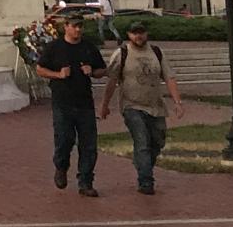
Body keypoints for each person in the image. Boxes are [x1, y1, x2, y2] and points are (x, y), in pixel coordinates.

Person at [99, 20, 185, 195]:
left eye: (141, 32)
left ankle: (142, 163)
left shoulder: (156, 52)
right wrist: (105, 105)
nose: (138, 36)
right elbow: (112, 80)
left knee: (157, 142)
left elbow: (169, 77)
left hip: (156, 106)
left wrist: (177, 102)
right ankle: (146, 181)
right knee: (142, 141)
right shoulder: (122, 53)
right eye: (134, 33)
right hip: (132, 106)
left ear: (146, 33)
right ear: (129, 35)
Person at [36, 13, 106, 196]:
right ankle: (61, 166)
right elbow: (40, 69)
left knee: (89, 144)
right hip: (62, 103)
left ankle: (85, 182)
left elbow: (102, 69)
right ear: (65, 27)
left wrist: (92, 72)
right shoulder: (54, 48)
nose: (78, 29)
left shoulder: (88, 47)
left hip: (85, 103)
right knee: (64, 139)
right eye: (74, 26)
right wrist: (58, 75)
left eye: (80, 26)